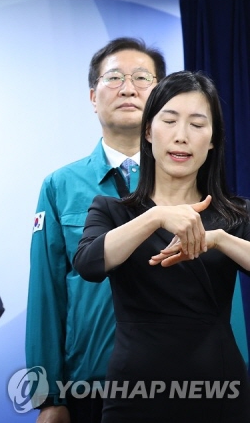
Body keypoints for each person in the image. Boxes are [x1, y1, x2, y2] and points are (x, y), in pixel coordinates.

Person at [73, 70, 250, 422]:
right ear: (149, 132)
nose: (182, 136)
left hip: (220, 391)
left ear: (213, 139)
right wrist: (155, 217)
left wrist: (218, 239)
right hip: (134, 393)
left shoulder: (235, 213)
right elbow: (88, 264)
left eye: (197, 125)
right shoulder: (111, 209)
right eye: (169, 121)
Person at [26, 38, 166, 423]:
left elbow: (221, 291)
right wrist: (47, 396)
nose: (128, 88)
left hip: (181, 378)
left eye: (142, 78)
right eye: (114, 77)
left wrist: (236, 379)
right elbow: (47, 290)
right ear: (93, 96)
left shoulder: (189, 180)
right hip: (91, 383)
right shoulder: (61, 186)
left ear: (161, 97)